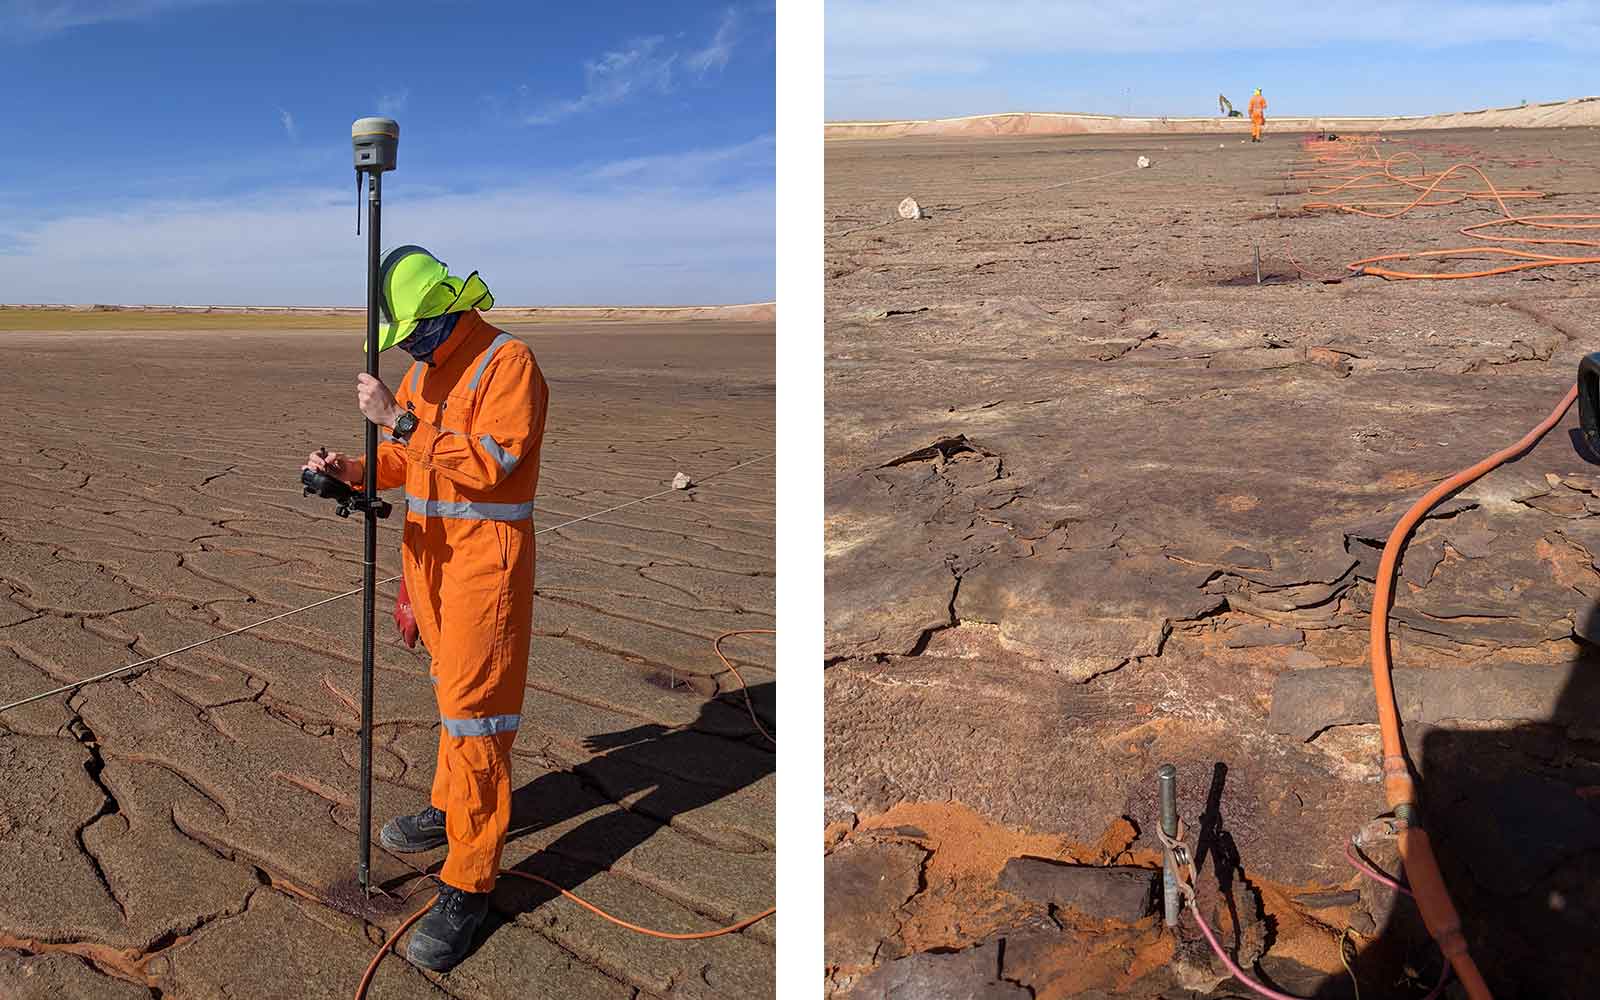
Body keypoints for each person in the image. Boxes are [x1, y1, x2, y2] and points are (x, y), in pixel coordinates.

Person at [303, 245, 550, 971]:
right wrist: (349, 468)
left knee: (478, 718)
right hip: (431, 561)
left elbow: (488, 463)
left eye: (415, 330)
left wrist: (399, 422)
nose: (408, 344)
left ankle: (468, 884)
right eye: (401, 336)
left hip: (485, 566)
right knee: (452, 699)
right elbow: (406, 466)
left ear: (446, 309)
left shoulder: (509, 364)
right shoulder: (422, 374)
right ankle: (449, 810)